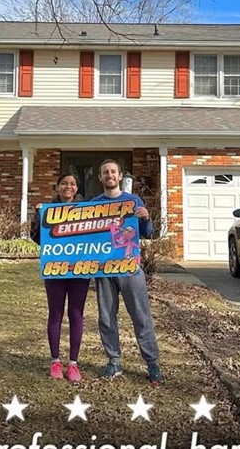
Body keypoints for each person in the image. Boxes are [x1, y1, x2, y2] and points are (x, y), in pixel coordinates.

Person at [90, 159, 163, 384]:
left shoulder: (133, 201)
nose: (109, 175)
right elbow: (86, 237)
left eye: (113, 171)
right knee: (106, 317)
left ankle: (152, 363)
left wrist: (146, 218)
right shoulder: (93, 204)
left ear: (120, 176)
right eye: (105, 172)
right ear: (100, 178)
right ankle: (114, 361)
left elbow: (148, 234)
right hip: (104, 270)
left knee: (141, 315)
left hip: (131, 267)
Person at [30, 172, 89, 383]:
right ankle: (55, 361)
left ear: (77, 187)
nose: (68, 187)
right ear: (57, 187)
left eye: (72, 184)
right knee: (55, 314)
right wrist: (37, 216)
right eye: (64, 183)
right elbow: (37, 239)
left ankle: (73, 363)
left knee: (76, 314)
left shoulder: (88, 211)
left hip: (80, 270)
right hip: (55, 269)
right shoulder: (48, 210)